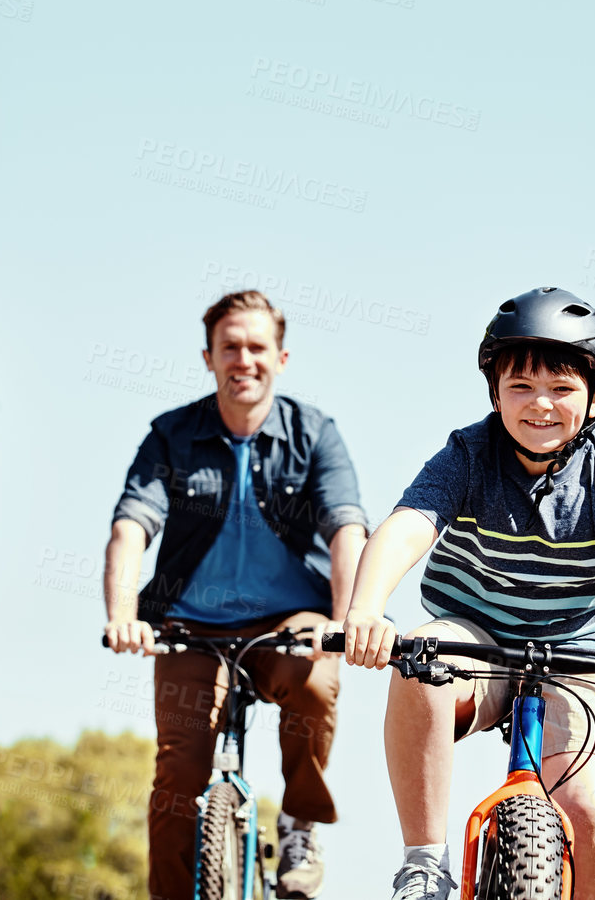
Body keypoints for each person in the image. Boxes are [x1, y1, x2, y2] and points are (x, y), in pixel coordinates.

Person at [338, 286, 595, 900]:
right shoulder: (467, 455)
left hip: (580, 651)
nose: (540, 404)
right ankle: (424, 864)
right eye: (520, 387)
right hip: (478, 641)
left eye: (563, 389)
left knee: (591, 806)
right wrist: (364, 610)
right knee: (419, 660)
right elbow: (405, 528)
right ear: (494, 392)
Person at [104, 290, 369, 900]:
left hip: (288, 620)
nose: (242, 359)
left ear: (281, 358)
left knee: (312, 678)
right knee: (177, 777)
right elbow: (130, 527)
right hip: (189, 629)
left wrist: (350, 618)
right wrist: (123, 616)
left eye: (256, 347)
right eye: (230, 348)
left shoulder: (315, 434)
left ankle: (300, 824)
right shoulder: (171, 436)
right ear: (208, 357)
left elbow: (346, 528)